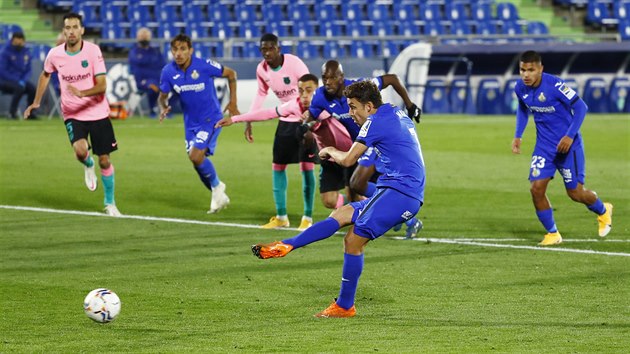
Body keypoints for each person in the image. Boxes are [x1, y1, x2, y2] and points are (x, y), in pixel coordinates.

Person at [252, 80, 426, 318]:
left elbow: (346, 160)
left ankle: (345, 306)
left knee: (353, 241)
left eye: (353, 107)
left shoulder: (374, 122)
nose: (351, 113)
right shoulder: (394, 111)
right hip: (400, 190)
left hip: (400, 193)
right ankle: (287, 245)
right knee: (342, 214)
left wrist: (329, 150)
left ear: (368, 106)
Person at [23, 13, 121, 216]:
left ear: (82, 30)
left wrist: (83, 93)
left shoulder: (93, 51)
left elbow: (102, 86)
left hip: (98, 112)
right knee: (80, 152)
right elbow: (45, 74)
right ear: (63, 31)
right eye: (67, 28)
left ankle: (110, 203)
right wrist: (36, 102)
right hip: (72, 113)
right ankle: (87, 164)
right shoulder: (55, 54)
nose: (71, 31)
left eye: (75, 27)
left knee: (105, 160)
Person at [511, 50, 613, 246]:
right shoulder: (520, 87)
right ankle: (553, 233)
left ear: (540, 69)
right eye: (522, 70)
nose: (526, 74)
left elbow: (581, 107)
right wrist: (518, 135)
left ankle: (603, 210)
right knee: (536, 189)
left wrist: (569, 135)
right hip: (544, 147)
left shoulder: (555, 85)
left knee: (575, 193)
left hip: (569, 146)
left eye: (530, 70)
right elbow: (523, 109)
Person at [302, 60, 422, 210]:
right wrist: (306, 128)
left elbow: (392, 79)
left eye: (332, 78)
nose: (328, 82)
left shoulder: (359, 89)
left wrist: (410, 105)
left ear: (342, 77)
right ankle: (394, 213)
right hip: (356, 145)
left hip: (375, 141)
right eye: (325, 78)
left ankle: (400, 210)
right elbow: (311, 116)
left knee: (358, 183)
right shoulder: (321, 96)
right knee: (354, 192)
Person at [158, 33, 239, 214]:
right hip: (190, 124)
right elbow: (162, 96)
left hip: (211, 118)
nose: (178, 53)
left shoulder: (203, 65)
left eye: (182, 49)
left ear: (190, 50)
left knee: (195, 156)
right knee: (197, 162)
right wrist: (163, 107)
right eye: (175, 49)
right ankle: (218, 191)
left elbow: (231, 73)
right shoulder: (168, 72)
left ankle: (217, 188)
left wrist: (233, 102)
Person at [244, 33, 317, 231]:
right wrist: (250, 117)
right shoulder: (262, 69)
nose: (266, 53)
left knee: (306, 167)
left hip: (303, 122)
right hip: (285, 121)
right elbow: (261, 93)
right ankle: (281, 216)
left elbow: (310, 90)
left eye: (270, 48)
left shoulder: (294, 64)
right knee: (278, 166)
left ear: (278, 48)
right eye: (263, 49)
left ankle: (307, 218)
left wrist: (311, 120)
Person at [350, 147, 423, 239]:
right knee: (356, 185)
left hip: (379, 143)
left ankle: (409, 219)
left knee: (359, 183)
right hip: (362, 142)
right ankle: (400, 216)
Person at [128, 27, 164, 118]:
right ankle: (152, 110)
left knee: (176, 87)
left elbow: (163, 64)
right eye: (142, 37)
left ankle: (167, 110)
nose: (144, 39)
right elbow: (135, 67)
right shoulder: (134, 52)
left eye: (146, 37)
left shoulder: (155, 51)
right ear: (138, 38)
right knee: (153, 87)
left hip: (157, 79)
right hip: (143, 80)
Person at [0, 32, 37, 119]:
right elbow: (2, 71)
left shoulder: (25, 52)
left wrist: (23, 80)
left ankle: (29, 113)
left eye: (21, 42)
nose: (19, 44)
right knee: (19, 88)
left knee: (33, 89)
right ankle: (12, 113)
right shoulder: (5, 52)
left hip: (21, 80)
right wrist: (17, 80)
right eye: (17, 42)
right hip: (4, 81)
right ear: (13, 41)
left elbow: (28, 70)